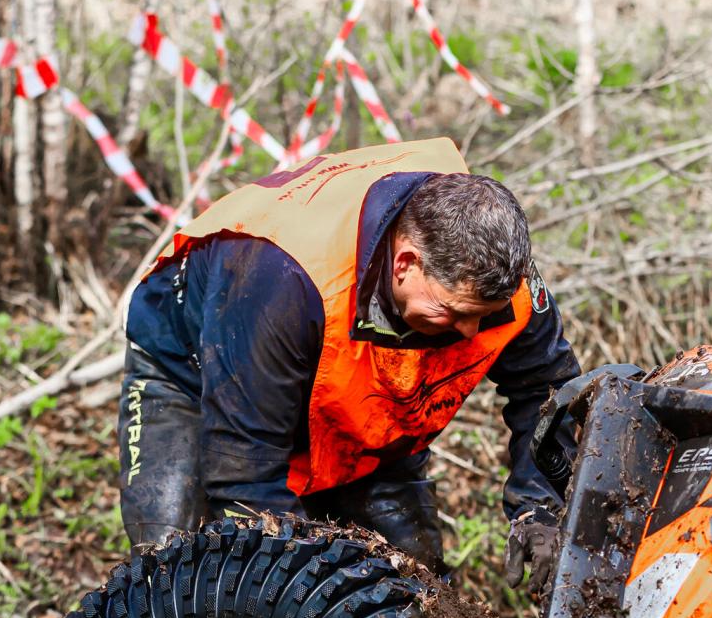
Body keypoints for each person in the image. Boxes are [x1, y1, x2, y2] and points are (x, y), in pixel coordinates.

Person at [116, 138, 579, 594]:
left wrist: (539, 506)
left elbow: (547, 389)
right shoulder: (283, 277)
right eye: (452, 312)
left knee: (416, 596)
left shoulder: (499, 281)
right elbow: (245, 473)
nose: (470, 331)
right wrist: (306, 593)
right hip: (197, 372)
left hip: (353, 398)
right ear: (405, 263)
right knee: (180, 575)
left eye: (483, 314)